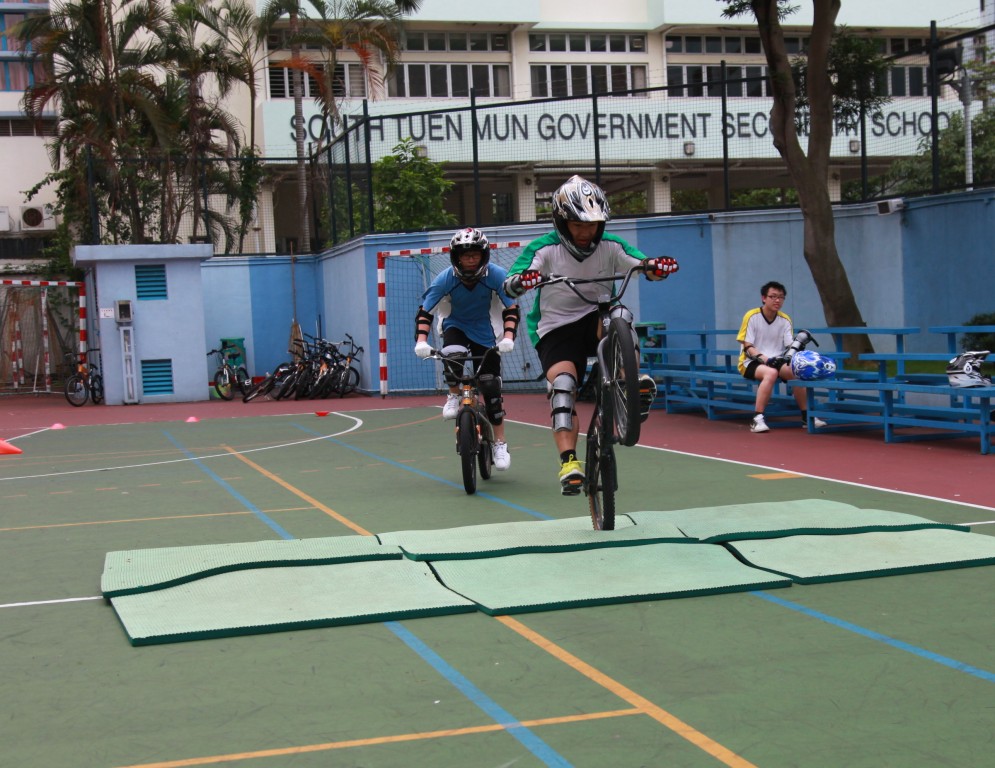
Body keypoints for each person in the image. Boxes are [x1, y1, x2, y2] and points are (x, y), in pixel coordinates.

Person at [502, 175, 679, 494]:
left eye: (593, 225)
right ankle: (569, 463)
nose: (586, 233)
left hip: (598, 317)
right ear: (562, 223)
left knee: (621, 315)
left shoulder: (611, 245)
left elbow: (641, 264)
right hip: (556, 328)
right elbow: (514, 280)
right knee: (563, 387)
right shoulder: (544, 249)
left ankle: (630, 385)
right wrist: (521, 281)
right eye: (577, 225)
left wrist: (656, 268)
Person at [414, 227, 519, 470]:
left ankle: (500, 443)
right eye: (465, 255)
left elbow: (511, 308)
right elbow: (425, 311)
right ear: (456, 257)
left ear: (484, 256)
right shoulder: (445, 279)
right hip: (456, 325)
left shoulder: (496, 275)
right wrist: (421, 341)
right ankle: (453, 394)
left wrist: (508, 337)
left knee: (491, 388)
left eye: (475, 254)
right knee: (452, 355)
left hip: (486, 330)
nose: (470, 259)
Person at [736, 281, 828, 433]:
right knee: (771, 373)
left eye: (781, 297)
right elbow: (748, 346)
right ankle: (757, 419)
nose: (777, 300)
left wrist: (798, 346)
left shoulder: (785, 319)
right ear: (763, 298)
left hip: (777, 360)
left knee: (798, 372)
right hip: (750, 361)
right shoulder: (752, 316)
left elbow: (789, 346)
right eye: (773, 296)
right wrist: (766, 359)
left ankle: (806, 417)